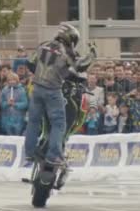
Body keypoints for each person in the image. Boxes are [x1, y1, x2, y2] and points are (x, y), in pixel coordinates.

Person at [24, 23, 93, 165]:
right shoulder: (67, 51)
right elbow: (80, 66)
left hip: (37, 89)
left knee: (33, 122)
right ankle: (53, 155)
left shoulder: (43, 45)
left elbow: (30, 63)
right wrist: (92, 54)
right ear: (71, 38)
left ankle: (29, 153)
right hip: (53, 91)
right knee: (59, 123)